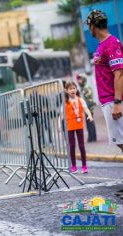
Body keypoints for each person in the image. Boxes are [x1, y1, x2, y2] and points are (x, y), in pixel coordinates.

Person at [84, 10, 123, 195]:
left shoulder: (112, 43)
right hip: (107, 101)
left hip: (114, 102)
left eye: (88, 26)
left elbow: (119, 74)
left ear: (92, 25)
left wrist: (117, 102)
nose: (88, 29)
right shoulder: (101, 46)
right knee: (120, 143)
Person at [65, 82, 93, 174]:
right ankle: (73, 166)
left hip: (79, 124)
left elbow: (86, 109)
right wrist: (58, 125)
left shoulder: (80, 100)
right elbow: (61, 114)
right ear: (66, 90)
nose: (73, 90)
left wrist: (89, 115)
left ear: (76, 89)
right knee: (72, 146)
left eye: (74, 88)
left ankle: (84, 166)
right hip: (70, 126)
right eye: (70, 88)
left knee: (81, 146)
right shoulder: (65, 101)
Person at [76, 73, 97, 142]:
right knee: (90, 122)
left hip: (88, 107)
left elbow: (88, 99)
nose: (79, 81)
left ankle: (92, 137)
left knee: (89, 122)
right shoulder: (84, 87)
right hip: (88, 107)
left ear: (83, 79)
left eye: (80, 79)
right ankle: (92, 137)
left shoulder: (86, 87)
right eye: (78, 79)